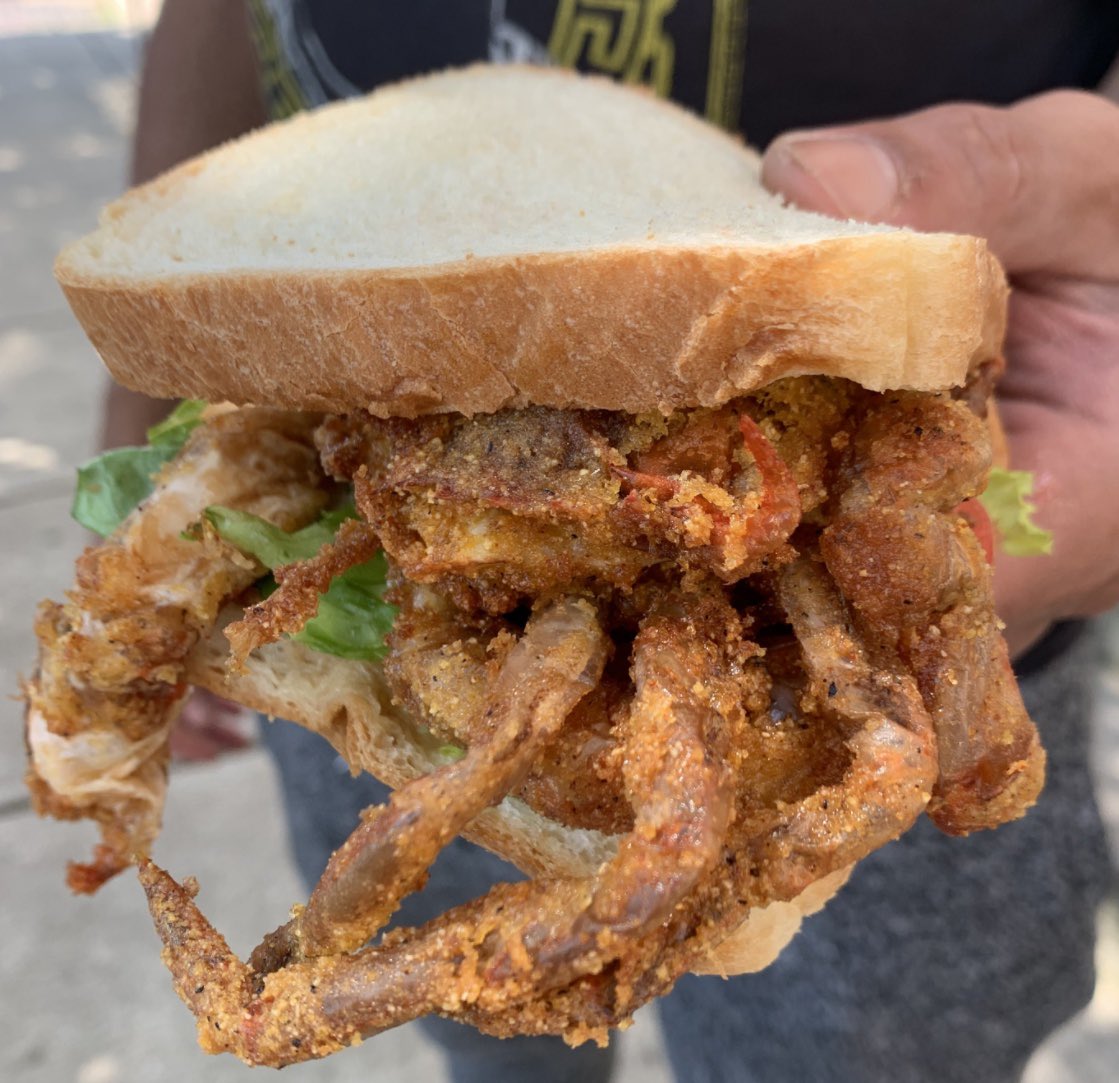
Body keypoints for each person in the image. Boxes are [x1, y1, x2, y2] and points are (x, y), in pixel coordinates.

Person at [103, 2, 1119, 1079]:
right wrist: (149, 405)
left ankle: (305, 982)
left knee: (849, 1035)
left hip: (906, 564)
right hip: (352, 390)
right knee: (490, 1051)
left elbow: (936, 773)